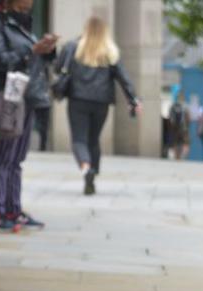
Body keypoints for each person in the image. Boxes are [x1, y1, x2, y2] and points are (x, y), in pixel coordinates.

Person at [0, 0, 54, 229]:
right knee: (2, 158)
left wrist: (45, 50)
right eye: (24, 3)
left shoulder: (19, 24)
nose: (30, 4)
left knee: (16, 159)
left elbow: (28, 58)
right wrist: (31, 50)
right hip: (6, 97)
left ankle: (12, 209)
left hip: (25, 96)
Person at [56, 16, 140, 195]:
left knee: (79, 139)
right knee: (93, 139)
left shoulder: (73, 47)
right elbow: (123, 78)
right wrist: (133, 99)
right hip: (101, 102)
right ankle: (93, 171)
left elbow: (58, 68)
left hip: (78, 99)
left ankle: (86, 168)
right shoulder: (110, 52)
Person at [168, 93, 189, 160]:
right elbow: (188, 117)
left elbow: (169, 117)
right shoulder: (185, 106)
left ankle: (176, 157)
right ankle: (182, 156)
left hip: (175, 127)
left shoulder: (173, 106)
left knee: (175, 142)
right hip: (184, 127)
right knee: (185, 142)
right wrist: (187, 125)